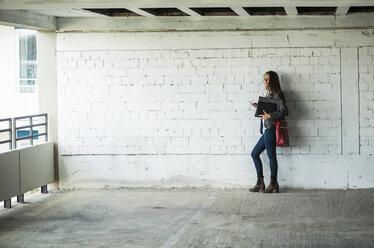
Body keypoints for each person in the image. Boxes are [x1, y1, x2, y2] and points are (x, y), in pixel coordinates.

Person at [249, 71, 288, 193]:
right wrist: (259, 106)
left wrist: (269, 115)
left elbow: (285, 111)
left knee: (271, 156)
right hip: (267, 130)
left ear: (273, 81)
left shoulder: (278, 95)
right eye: (264, 79)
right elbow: (270, 108)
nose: (265, 81)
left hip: (272, 130)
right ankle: (260, 183)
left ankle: (273, 183)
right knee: (254, 154)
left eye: (268, 79)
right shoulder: (269, 94)